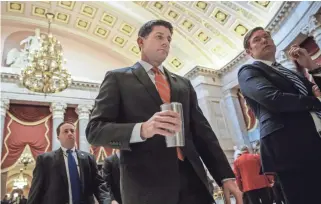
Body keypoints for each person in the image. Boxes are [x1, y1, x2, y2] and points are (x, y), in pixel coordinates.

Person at [86, 19, 242, 204]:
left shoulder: (183, 83)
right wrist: (142, 129)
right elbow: (95, 131)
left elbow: (203, 133)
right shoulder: (118, 78)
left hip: (193, 179)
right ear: (140, 42)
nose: (166, 42)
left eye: (169, 39)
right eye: (159, 37)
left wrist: (225, 175)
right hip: (146, 186)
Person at [238, 26, 321, 204]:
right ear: (249, 52)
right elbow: (273, 99)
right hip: (290, 148)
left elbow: (317, 92)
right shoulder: (249, 72)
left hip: (315, 141)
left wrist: (312, 67)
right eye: (257, 39)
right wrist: (314, 101)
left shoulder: (290, 73)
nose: (264, 40)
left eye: (267, 36)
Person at [27, 122, 111, 204]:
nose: (70, 133)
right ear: (58, 137)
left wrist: (107, 201)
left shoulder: (88, 158)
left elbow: (99, 184)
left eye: (72, 131)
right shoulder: (45, 160)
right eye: (66, 131)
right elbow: (36, 189)